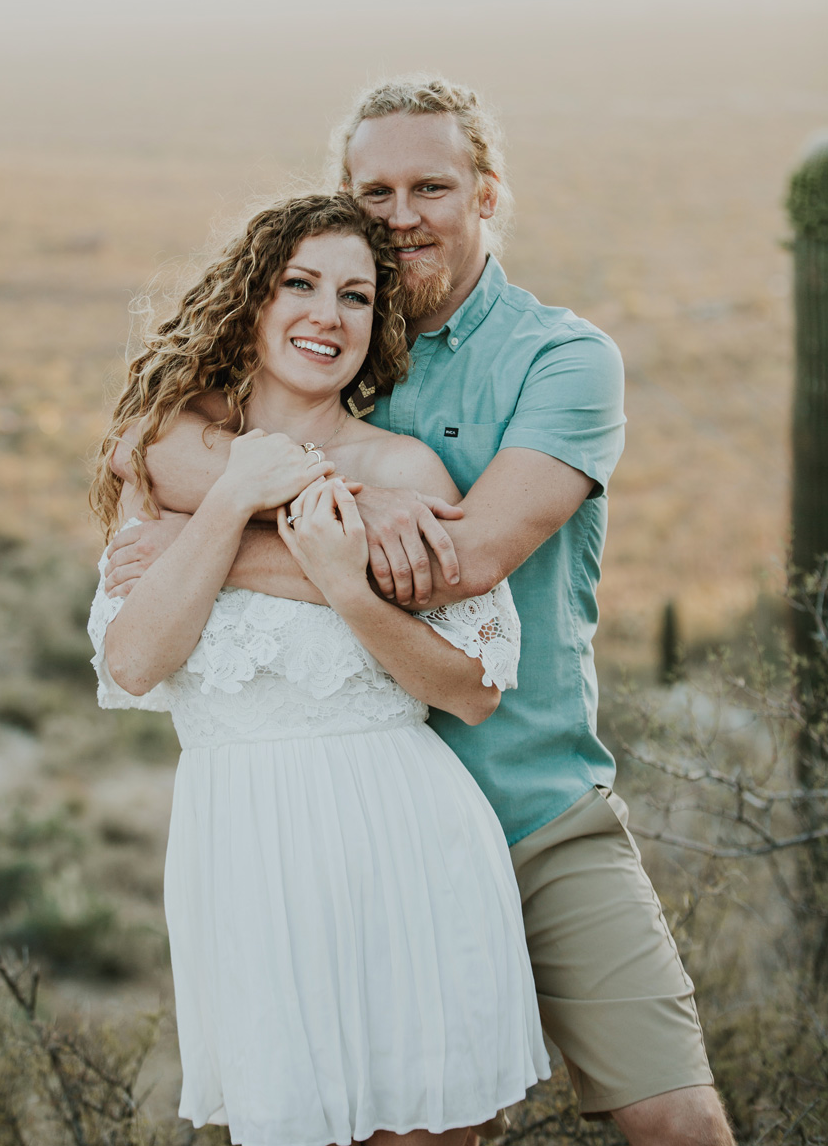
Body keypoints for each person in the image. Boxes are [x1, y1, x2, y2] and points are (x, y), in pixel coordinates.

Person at [105, 78, 735, 1146]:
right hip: (322, 833)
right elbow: (147, 442)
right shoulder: (327, 349)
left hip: (528, 803)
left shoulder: (560, 358)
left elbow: (468, 556)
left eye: (431, 185)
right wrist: (239, 509)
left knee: (672, 1116)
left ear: (487, 192)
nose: (403, 215)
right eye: (376, 189)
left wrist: (203, 545)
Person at [88, 193, 550, 1146]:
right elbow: (134, 661)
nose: (325, 315)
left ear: (377, 321)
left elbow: (471, 686)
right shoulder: (170, 463)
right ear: (251, 302)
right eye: (298, 284)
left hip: (404, 845)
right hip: (245, 861)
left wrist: (346, 587)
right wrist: (230, 503)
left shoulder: (409, 472)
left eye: (354, 294)